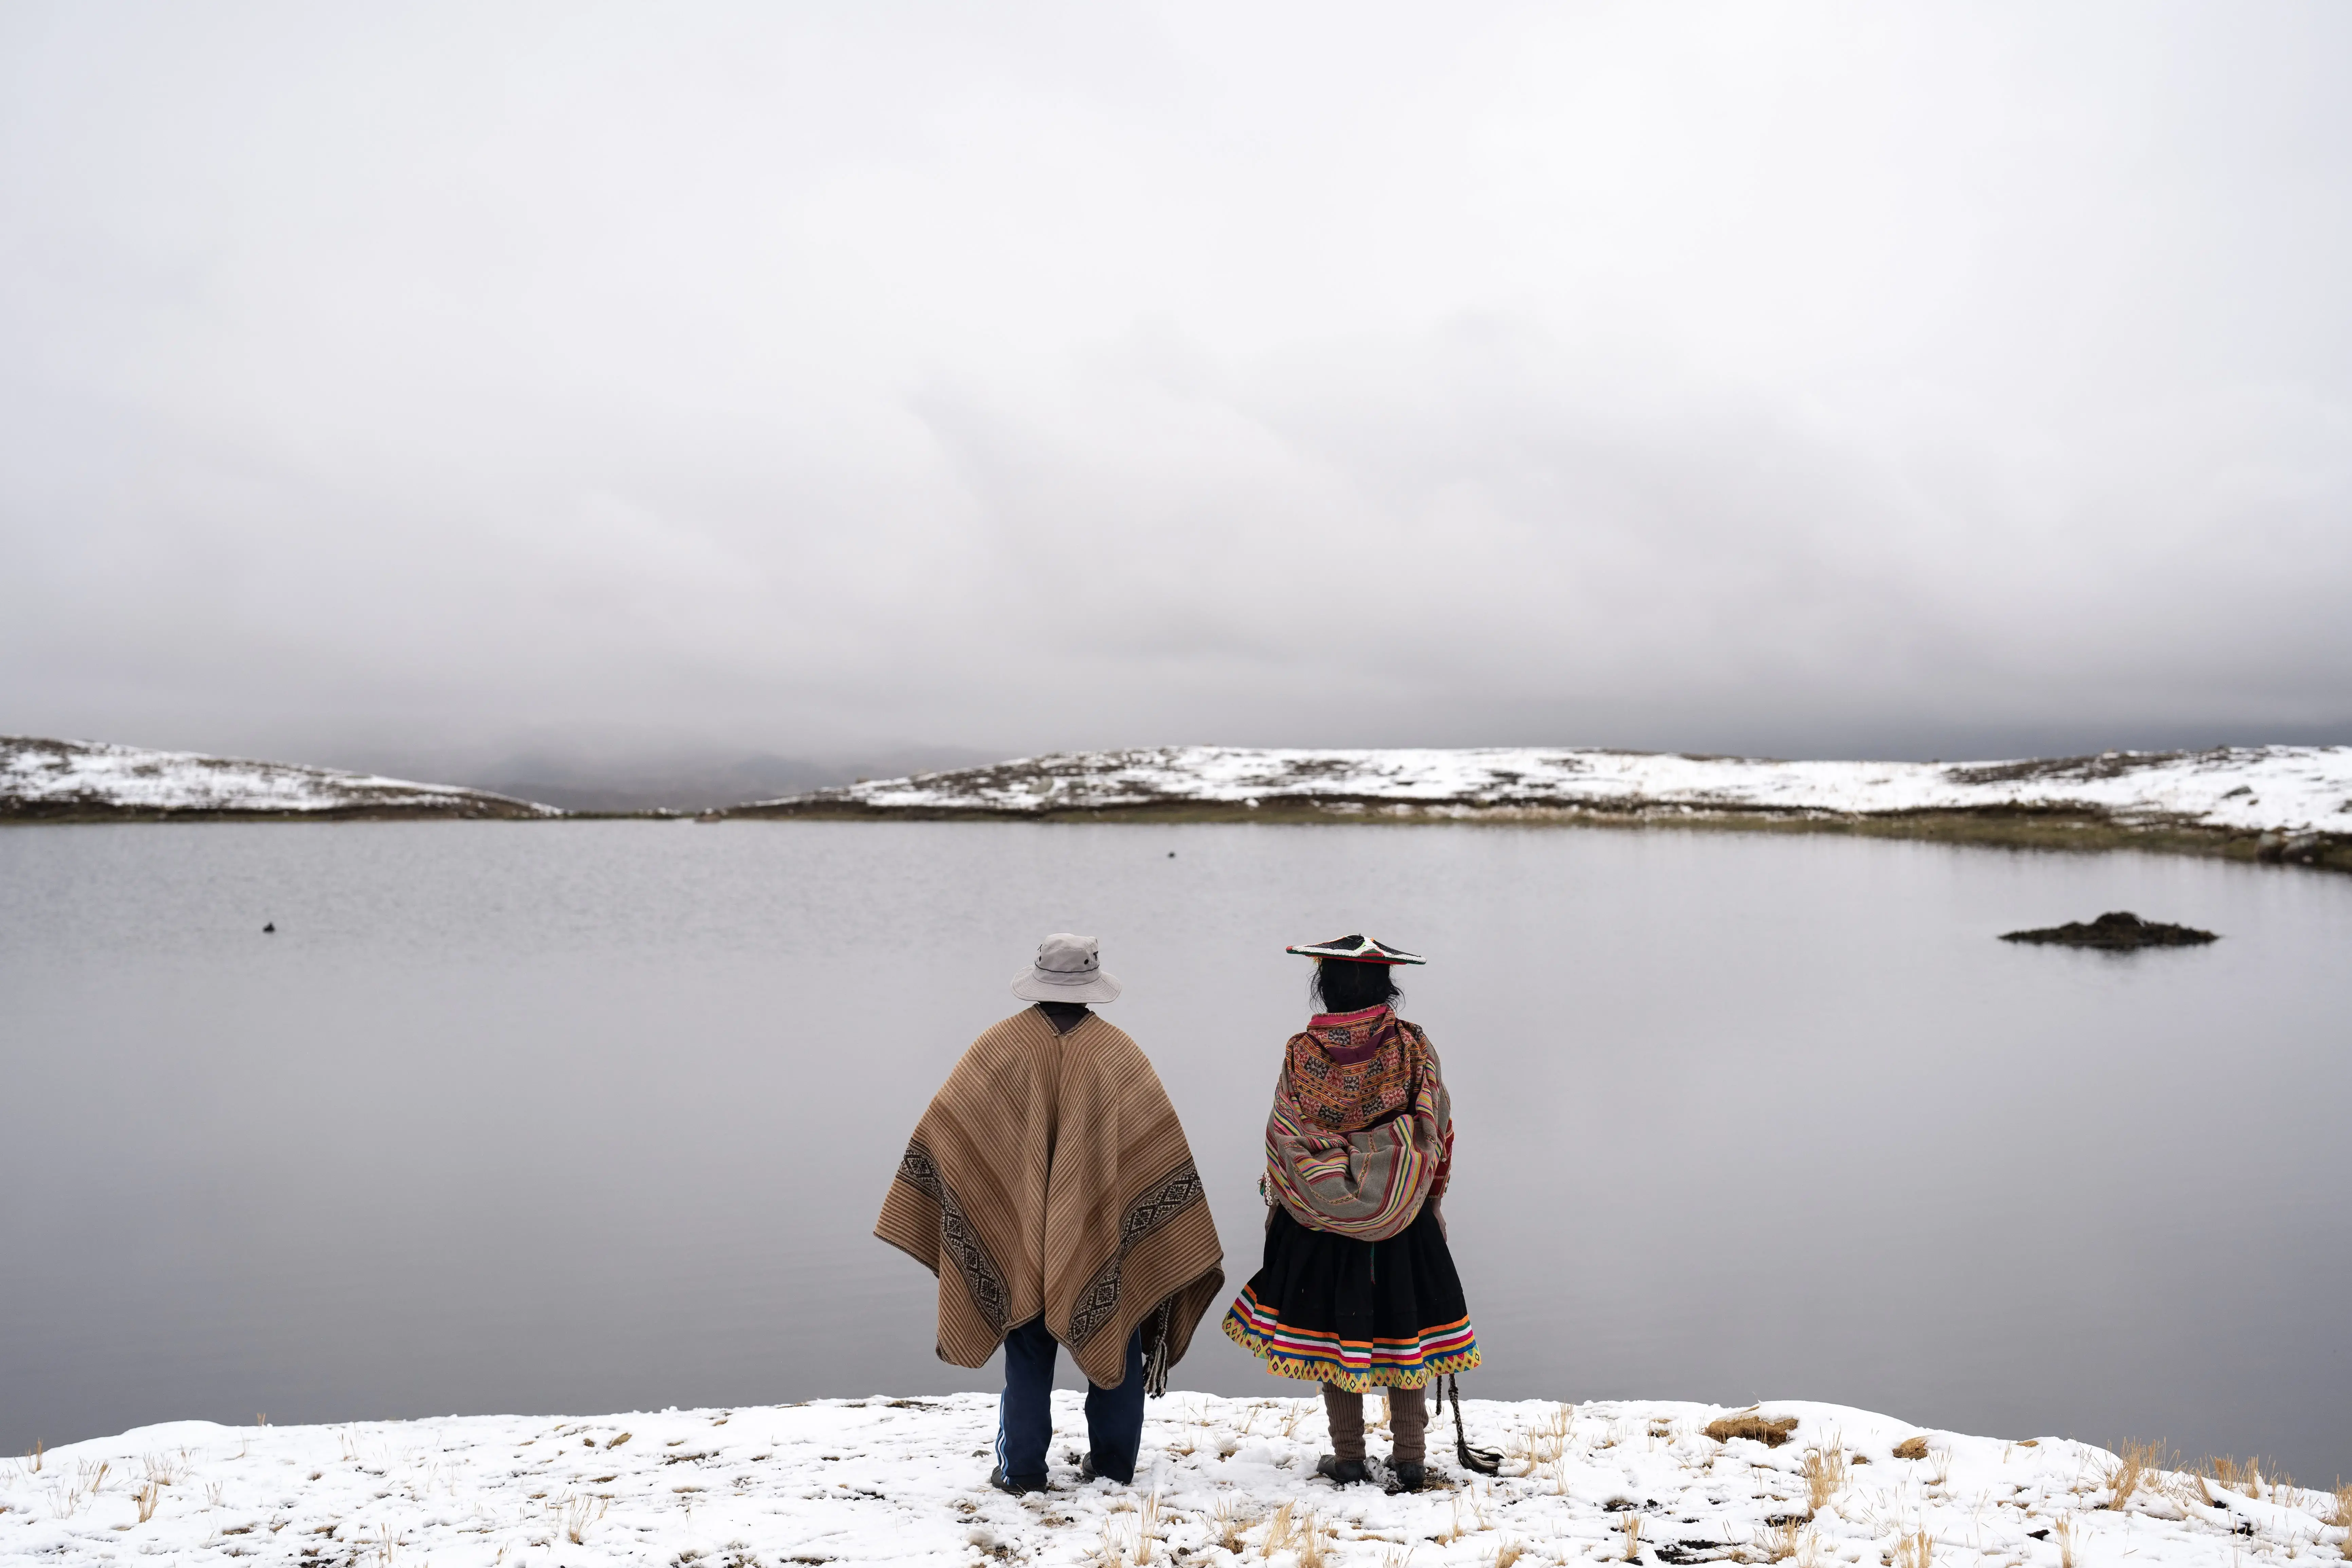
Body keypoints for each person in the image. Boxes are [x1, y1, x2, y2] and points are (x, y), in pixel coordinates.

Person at [877, 933, 1225, 1495]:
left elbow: (946, 1134)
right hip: (1105, 1239)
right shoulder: (1120, 1055)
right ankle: (1113, 1468)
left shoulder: (997, 1048)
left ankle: (1023, 1472)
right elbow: (1155, 1156)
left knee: (1028, 1347)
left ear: (1037, 981)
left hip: (1018, 1240)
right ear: (1092, 987)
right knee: (1116, 1331)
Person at [1221, 934, 1479, 1493]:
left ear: (1325, 986)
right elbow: (1440, 1130)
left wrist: (1286, 1200)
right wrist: (1431, 1198)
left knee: (1334, 1330)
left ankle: (1349, 1457)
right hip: (1404, 1214)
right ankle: (1410, 1458)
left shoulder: (1301, 1052)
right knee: (1404, 1325)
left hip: (1318, 1217)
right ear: (1389, 985)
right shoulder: (1413, 1047)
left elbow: (1282, 1135)